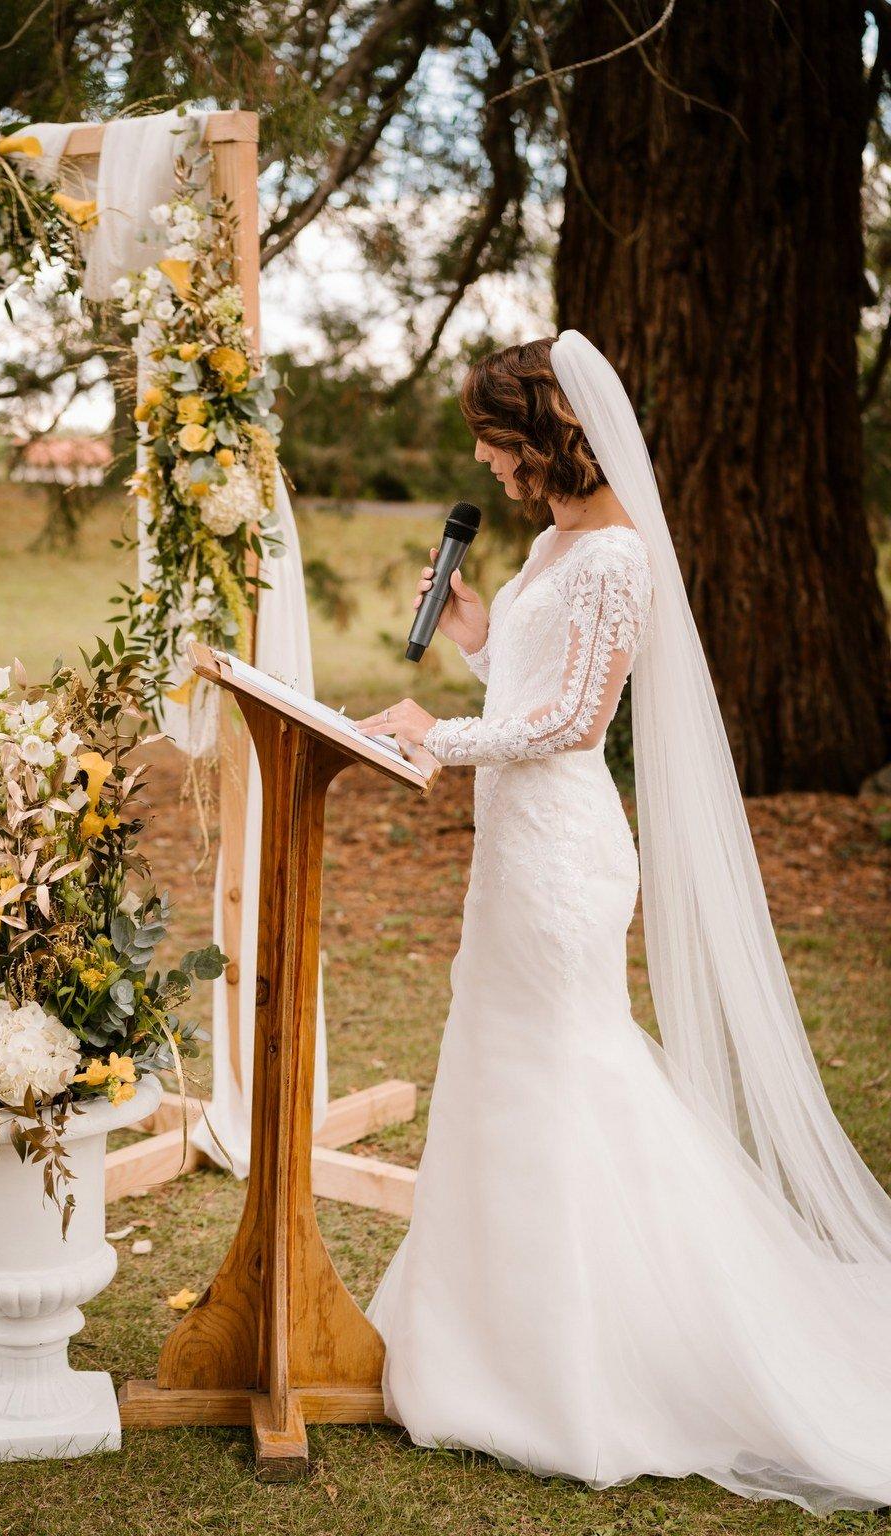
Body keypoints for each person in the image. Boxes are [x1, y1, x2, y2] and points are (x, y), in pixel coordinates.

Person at [354, 333, 891, 1514]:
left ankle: (587, 1365)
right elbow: (527, 683)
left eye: (495, 443)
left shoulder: (619, 559)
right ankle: (484, 1336)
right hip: (513, 849)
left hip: (562, 855)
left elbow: (569, 726)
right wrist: (475, 637)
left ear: (541, 437)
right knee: (498, 1064)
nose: (489, 468)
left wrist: (428, 735)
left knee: (567, 1071)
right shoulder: (554, 545)